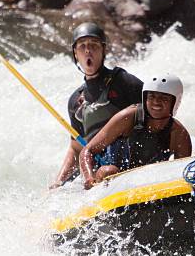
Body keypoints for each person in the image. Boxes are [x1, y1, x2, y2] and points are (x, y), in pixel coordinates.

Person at [51, 22, 143, 188]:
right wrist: (58, 181)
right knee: (61, 187)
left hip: (127, 159)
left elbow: (156, 110)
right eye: (82, 46)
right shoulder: (75, 101)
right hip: (95, 168)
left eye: (94, 45)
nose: (88, 50)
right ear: (75, 53)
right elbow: (77, 147)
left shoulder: (123, 81)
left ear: (103, 50)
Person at [79, 73, 192, 189]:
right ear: (145, 98)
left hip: (149, 184)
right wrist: (89, 177)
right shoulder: (127, 117)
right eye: (151, 96)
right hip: (111, 179)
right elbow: (87, 150)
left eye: (164, 98)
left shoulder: (179, 134)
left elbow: (182, 177)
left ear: (175, 102)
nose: (156, 102)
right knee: (109, 170)